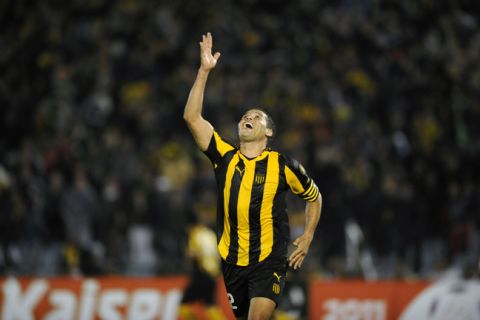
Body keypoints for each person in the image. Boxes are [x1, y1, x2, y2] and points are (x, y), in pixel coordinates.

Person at [183, 32, 322, 320]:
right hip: (232, 262)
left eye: (256, 116)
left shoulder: (283, 165)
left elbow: (314, 197)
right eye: (246, 114)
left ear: (269, 132)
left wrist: (307, 235)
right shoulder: (224, 155)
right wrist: (203, 71)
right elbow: (192, 118)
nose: (248, 117)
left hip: (268, 260)